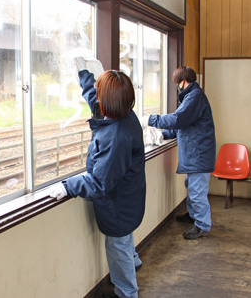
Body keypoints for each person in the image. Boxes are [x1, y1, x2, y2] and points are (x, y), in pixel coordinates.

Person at [49, 57, 146, 298]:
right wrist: (84, 74)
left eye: (100, 91)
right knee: (124, 240)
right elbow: (95, 101)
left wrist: (67, 186)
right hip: (128, 197)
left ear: (109, 100)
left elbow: (99, 182)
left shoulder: (117, 136)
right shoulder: (124, 114)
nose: (96, 95)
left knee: (117, 245)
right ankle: (133, 264)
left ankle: (127, 292)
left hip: (118, 203)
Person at [144, 66, 215, 239]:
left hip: (199, 155)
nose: (177, 86)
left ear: (183, 82)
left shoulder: (194, 97)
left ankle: (202, 225)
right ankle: (193, 215)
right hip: (195, 154)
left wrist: (152, 120)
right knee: (191, 187)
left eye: (177, 82)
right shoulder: (191, 97)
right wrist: (163, 135)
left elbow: (178, 119)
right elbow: (183, 127)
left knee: (197, 192)